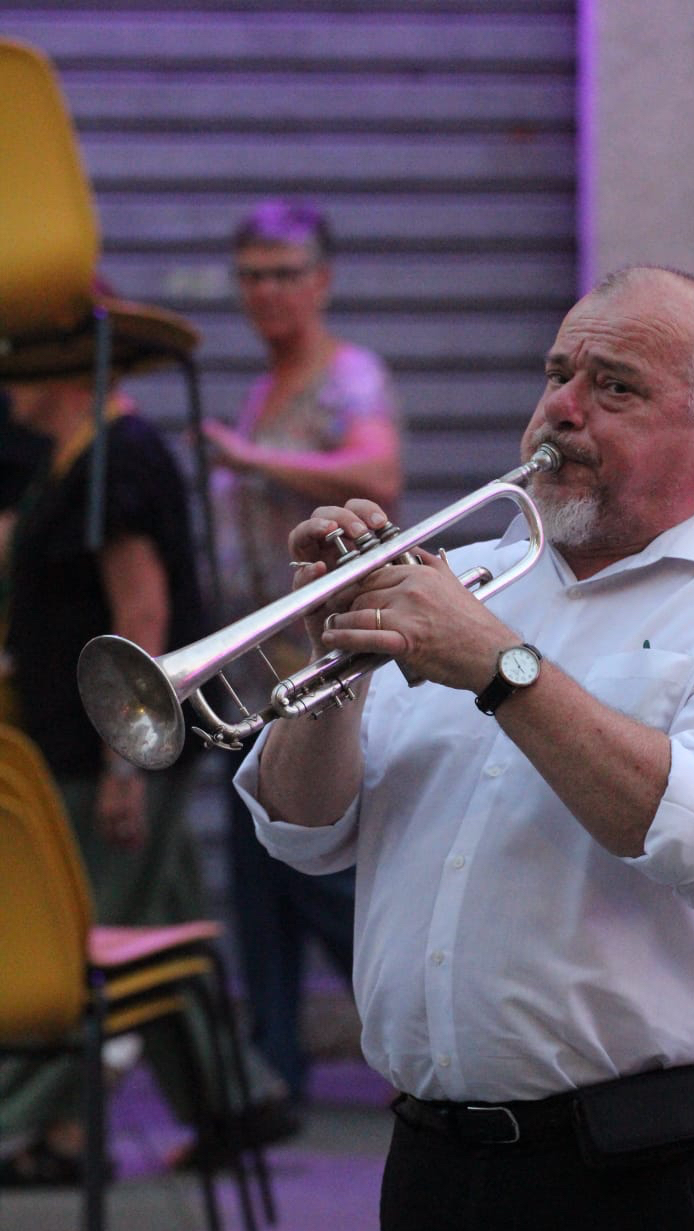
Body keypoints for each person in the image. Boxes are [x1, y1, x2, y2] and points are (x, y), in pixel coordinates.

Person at [233, 266, 694, 1231]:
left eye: (615, 387)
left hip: (640, 1175)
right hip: (432, 1165)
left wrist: (499, 666)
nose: (562, 408)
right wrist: (334, 662)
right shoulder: (463, 576)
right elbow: (301, 829)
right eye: (559, 374)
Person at [0, 285, 291, 1184]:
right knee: (156, 921)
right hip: (90, 743)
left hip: (113, 746)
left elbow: (143, 613)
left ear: (69, 375)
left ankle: (37, 1125)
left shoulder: (117, 461)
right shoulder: (74, 459)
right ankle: (234, 1102)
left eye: (27, 364)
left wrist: (125, 765)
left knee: (85, 933)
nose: (11, 381)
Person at [201, 199, 402, 1113]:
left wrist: (247, 459)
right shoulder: (268, 387)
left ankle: (420, 1010)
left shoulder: (347, 377)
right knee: (261, 881)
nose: (266, 291)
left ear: (321, 281)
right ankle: (272, 1072)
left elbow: (376, 473)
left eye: (284, 273)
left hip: (317, 675)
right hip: (257, 677)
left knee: (312, 875)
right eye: (251, 275)